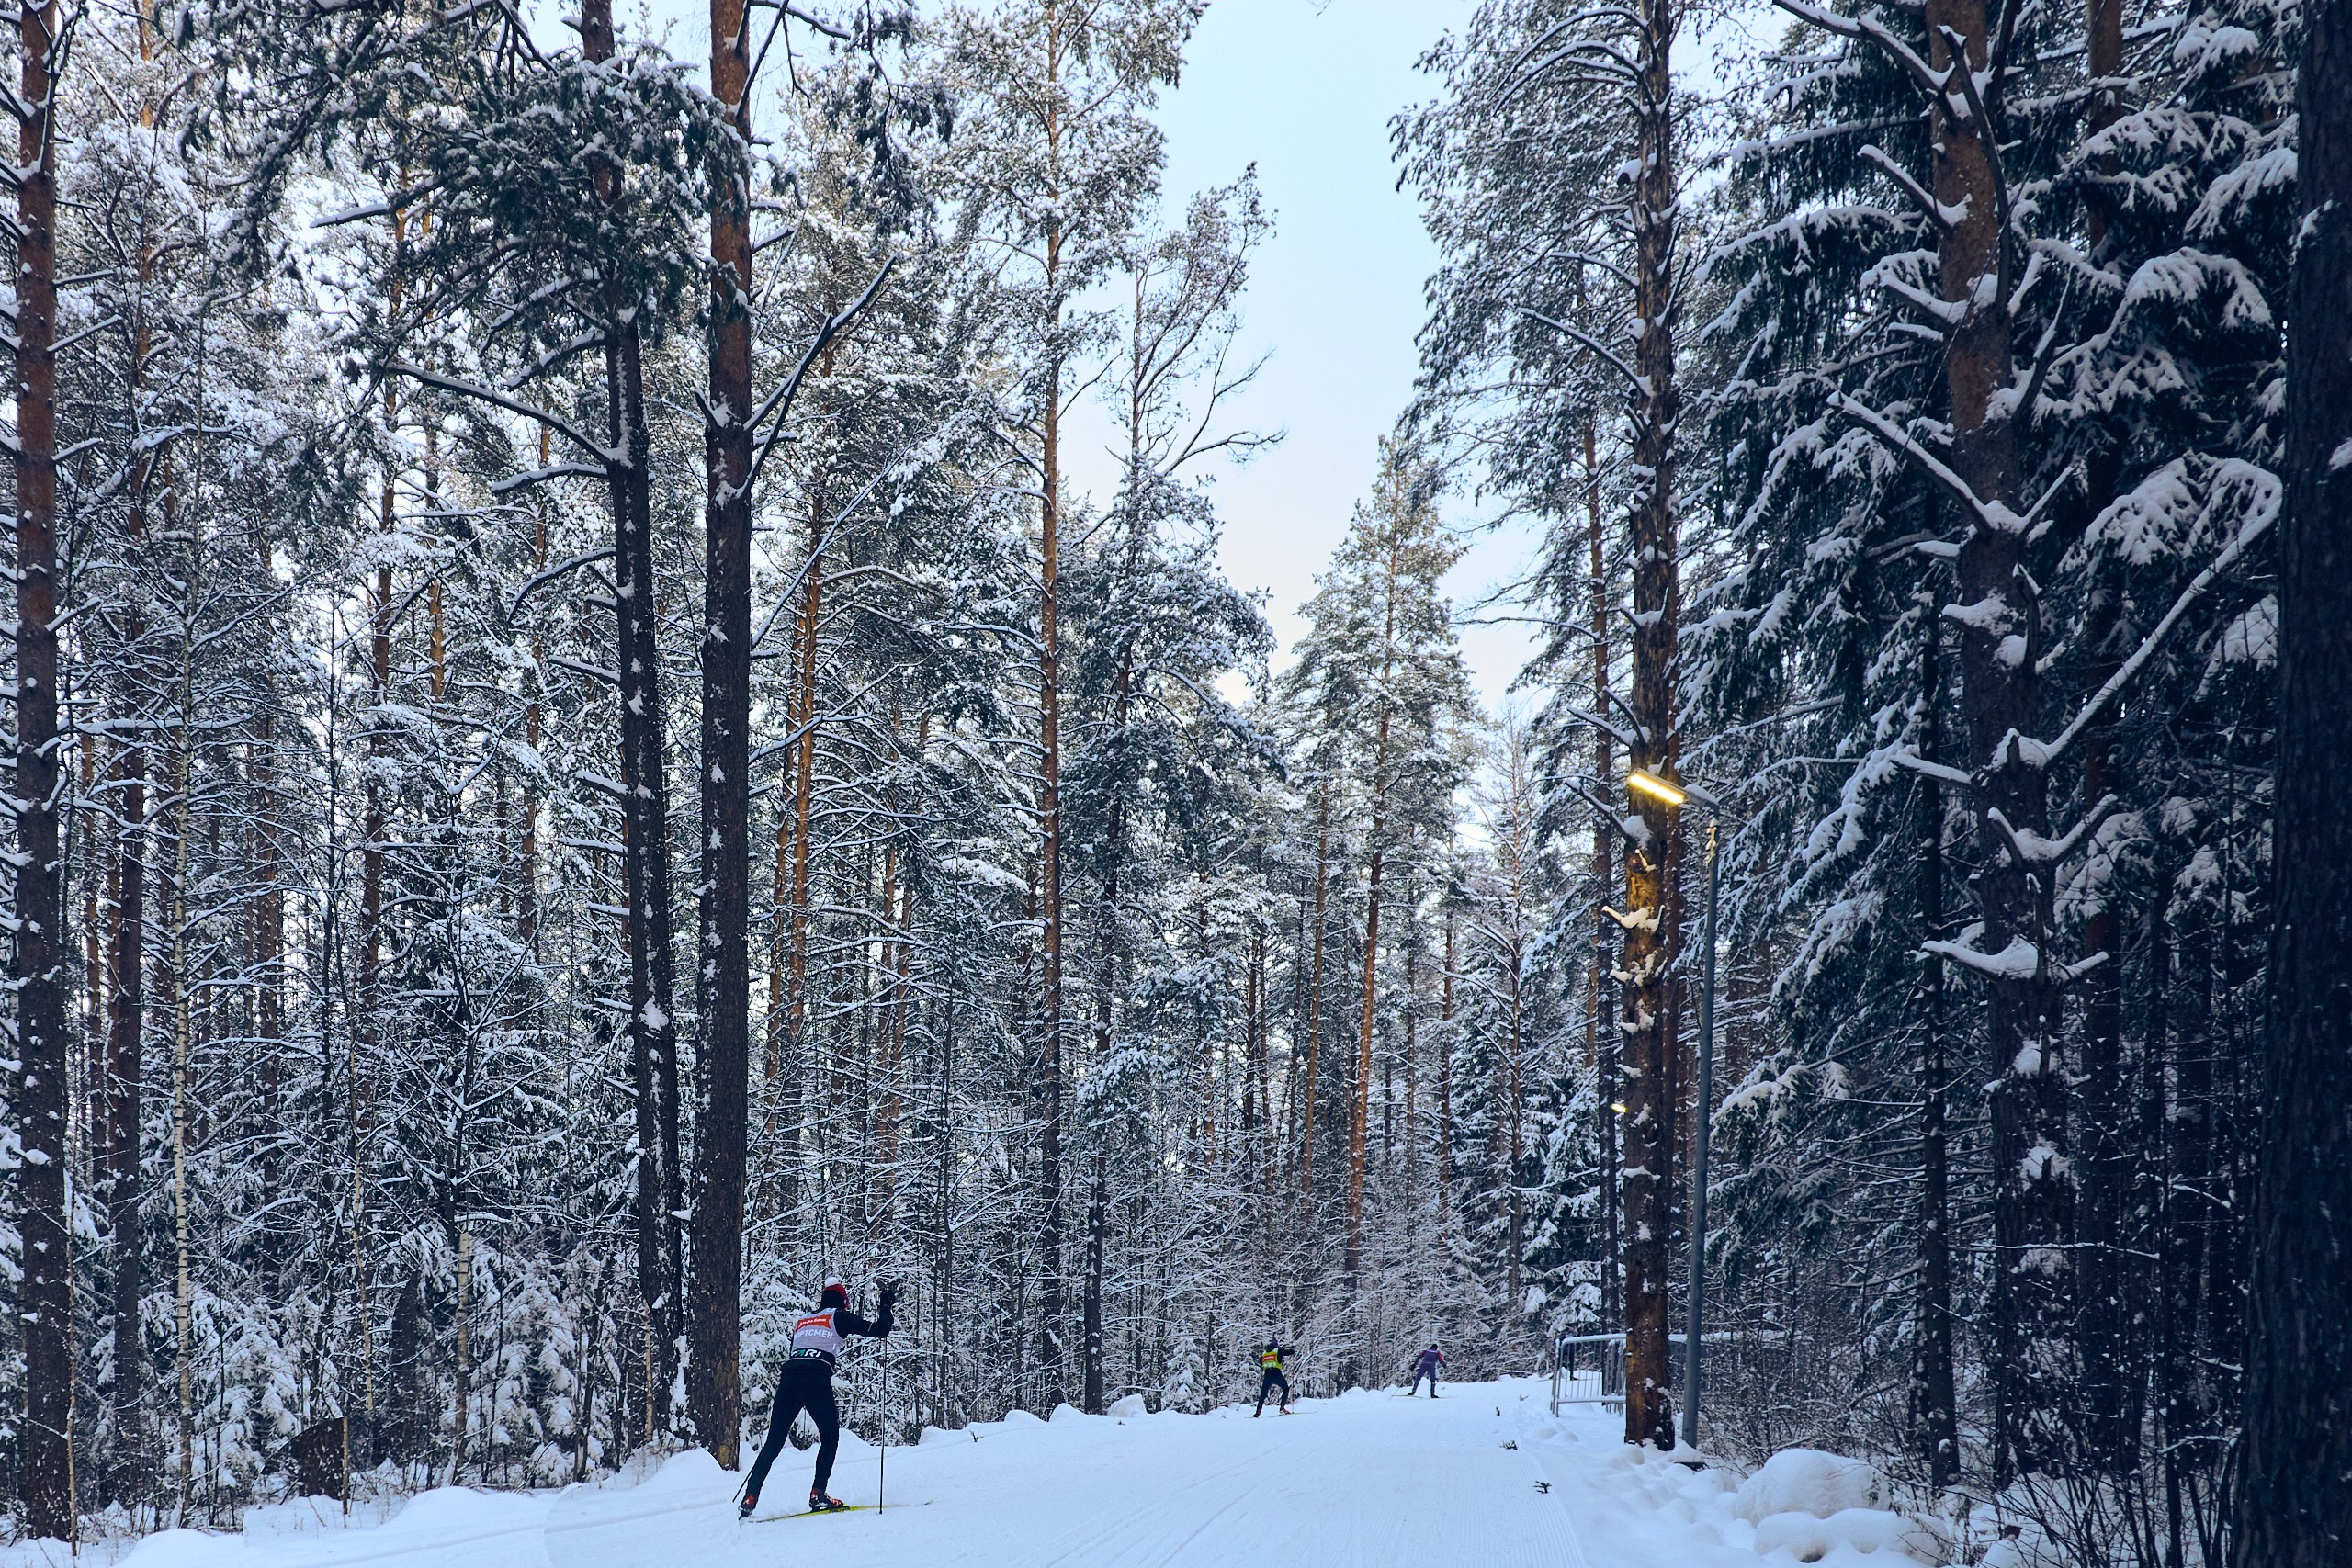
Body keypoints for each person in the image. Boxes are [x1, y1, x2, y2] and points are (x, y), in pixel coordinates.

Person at [738, 1276, 897, 1517]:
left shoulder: (803, 1320)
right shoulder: (839, 1316)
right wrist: (885, 1305)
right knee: (830, 1437)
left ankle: (750, 1496)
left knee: (773, 1443)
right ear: (843, 1302)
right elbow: (880, 1330)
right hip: (816, 1379)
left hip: (789, 1379)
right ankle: (818, 1493)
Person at [1253, 1340, 1294, 1416]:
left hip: (1267, 1375)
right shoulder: (1277, 1351)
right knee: (1285, 1389)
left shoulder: (1264, 1353)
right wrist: (1293, 1349)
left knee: (1263, 1394)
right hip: (1276, 1374)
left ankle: (1258, 1411)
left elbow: (1261, 1362)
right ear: (1276, 1345)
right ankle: (1282, 1407)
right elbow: (1289, 1352)